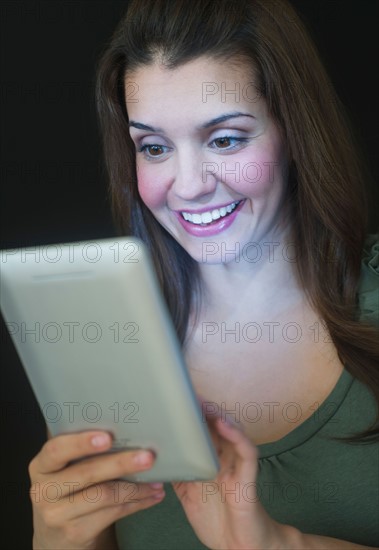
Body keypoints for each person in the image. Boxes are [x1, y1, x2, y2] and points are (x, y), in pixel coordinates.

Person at [29, 0, 379, 548]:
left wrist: (279, 545)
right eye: (154, 147)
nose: (188, 185)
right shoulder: (104, 353)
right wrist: (57, 539)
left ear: (294, 131)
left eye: (225, 139)